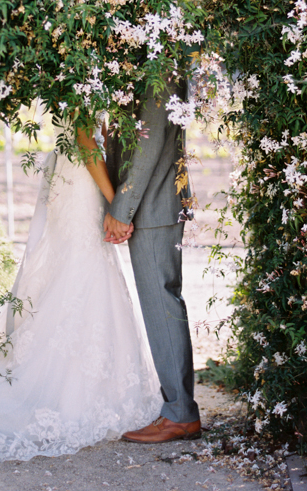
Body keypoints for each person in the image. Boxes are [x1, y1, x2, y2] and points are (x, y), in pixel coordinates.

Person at [0, 117, 161, 461]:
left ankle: (85, 383)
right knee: (84, 265)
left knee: (80, 265)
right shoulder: (84, 70)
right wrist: (117, 203)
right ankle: (71, 392)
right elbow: (86, 139)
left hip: (74, 175)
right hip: (82, 177)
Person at [104, 76, 201, 443]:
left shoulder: (160, 66)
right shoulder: (149, 60)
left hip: (153, 204)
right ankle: (178, 410)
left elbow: (148, 142)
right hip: (153, 203)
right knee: (164, 302)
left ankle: (180, 414)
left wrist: (121, 207)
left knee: (162, 304)